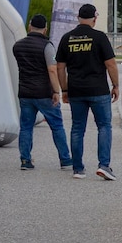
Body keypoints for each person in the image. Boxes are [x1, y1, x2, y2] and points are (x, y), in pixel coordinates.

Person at [56, 4, 120, 181]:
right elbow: (110, 64)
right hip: (98, 90)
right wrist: (115, 85)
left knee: (77, 128)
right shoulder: (99, 37)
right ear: (95, 18)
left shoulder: (67, 38)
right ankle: (104, 165)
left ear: (78, 18)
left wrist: (64, 89)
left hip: (76, 90)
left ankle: (78, 169)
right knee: (104, 126)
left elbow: (60, 67)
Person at [12, 14, 71, 171]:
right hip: (44, 93)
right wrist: (56, 91)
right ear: (45, 29)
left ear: (29, 26)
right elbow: (52, 70)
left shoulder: (18, 46)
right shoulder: (47, 46)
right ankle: (65, 159)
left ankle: (25, 160)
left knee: (26, 127)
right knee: (57, 126)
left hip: (25, 92)